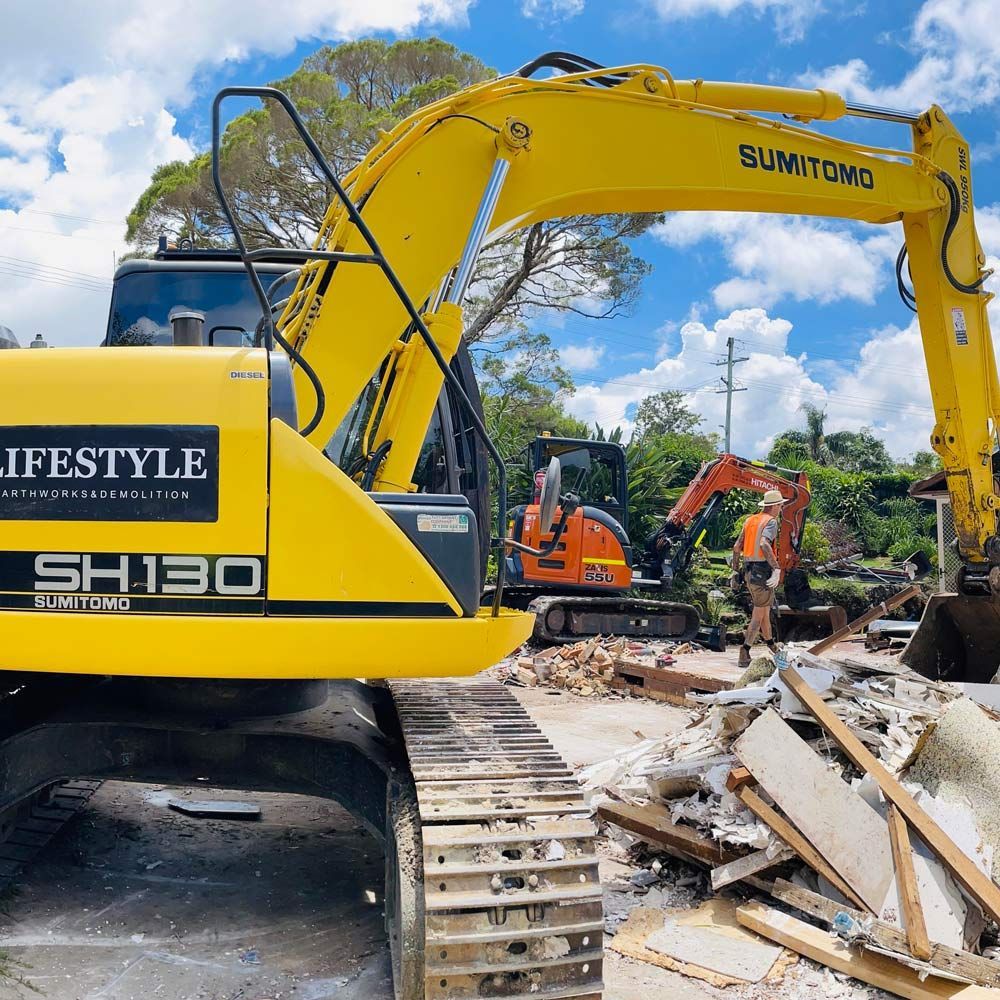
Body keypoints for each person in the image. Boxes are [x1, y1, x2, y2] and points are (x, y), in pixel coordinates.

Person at [731, 489, 787, 669]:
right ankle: (745, 650)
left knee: (764, 613)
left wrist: (735, 571)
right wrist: (776, 568)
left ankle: (772, 646)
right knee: (758, 615)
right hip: (762, 572)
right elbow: (764, 544)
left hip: (749, 571)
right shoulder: (771, 522)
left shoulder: (750, 520)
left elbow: (736, 547)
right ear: (774, 506)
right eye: (780, 505)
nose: (781, 509)